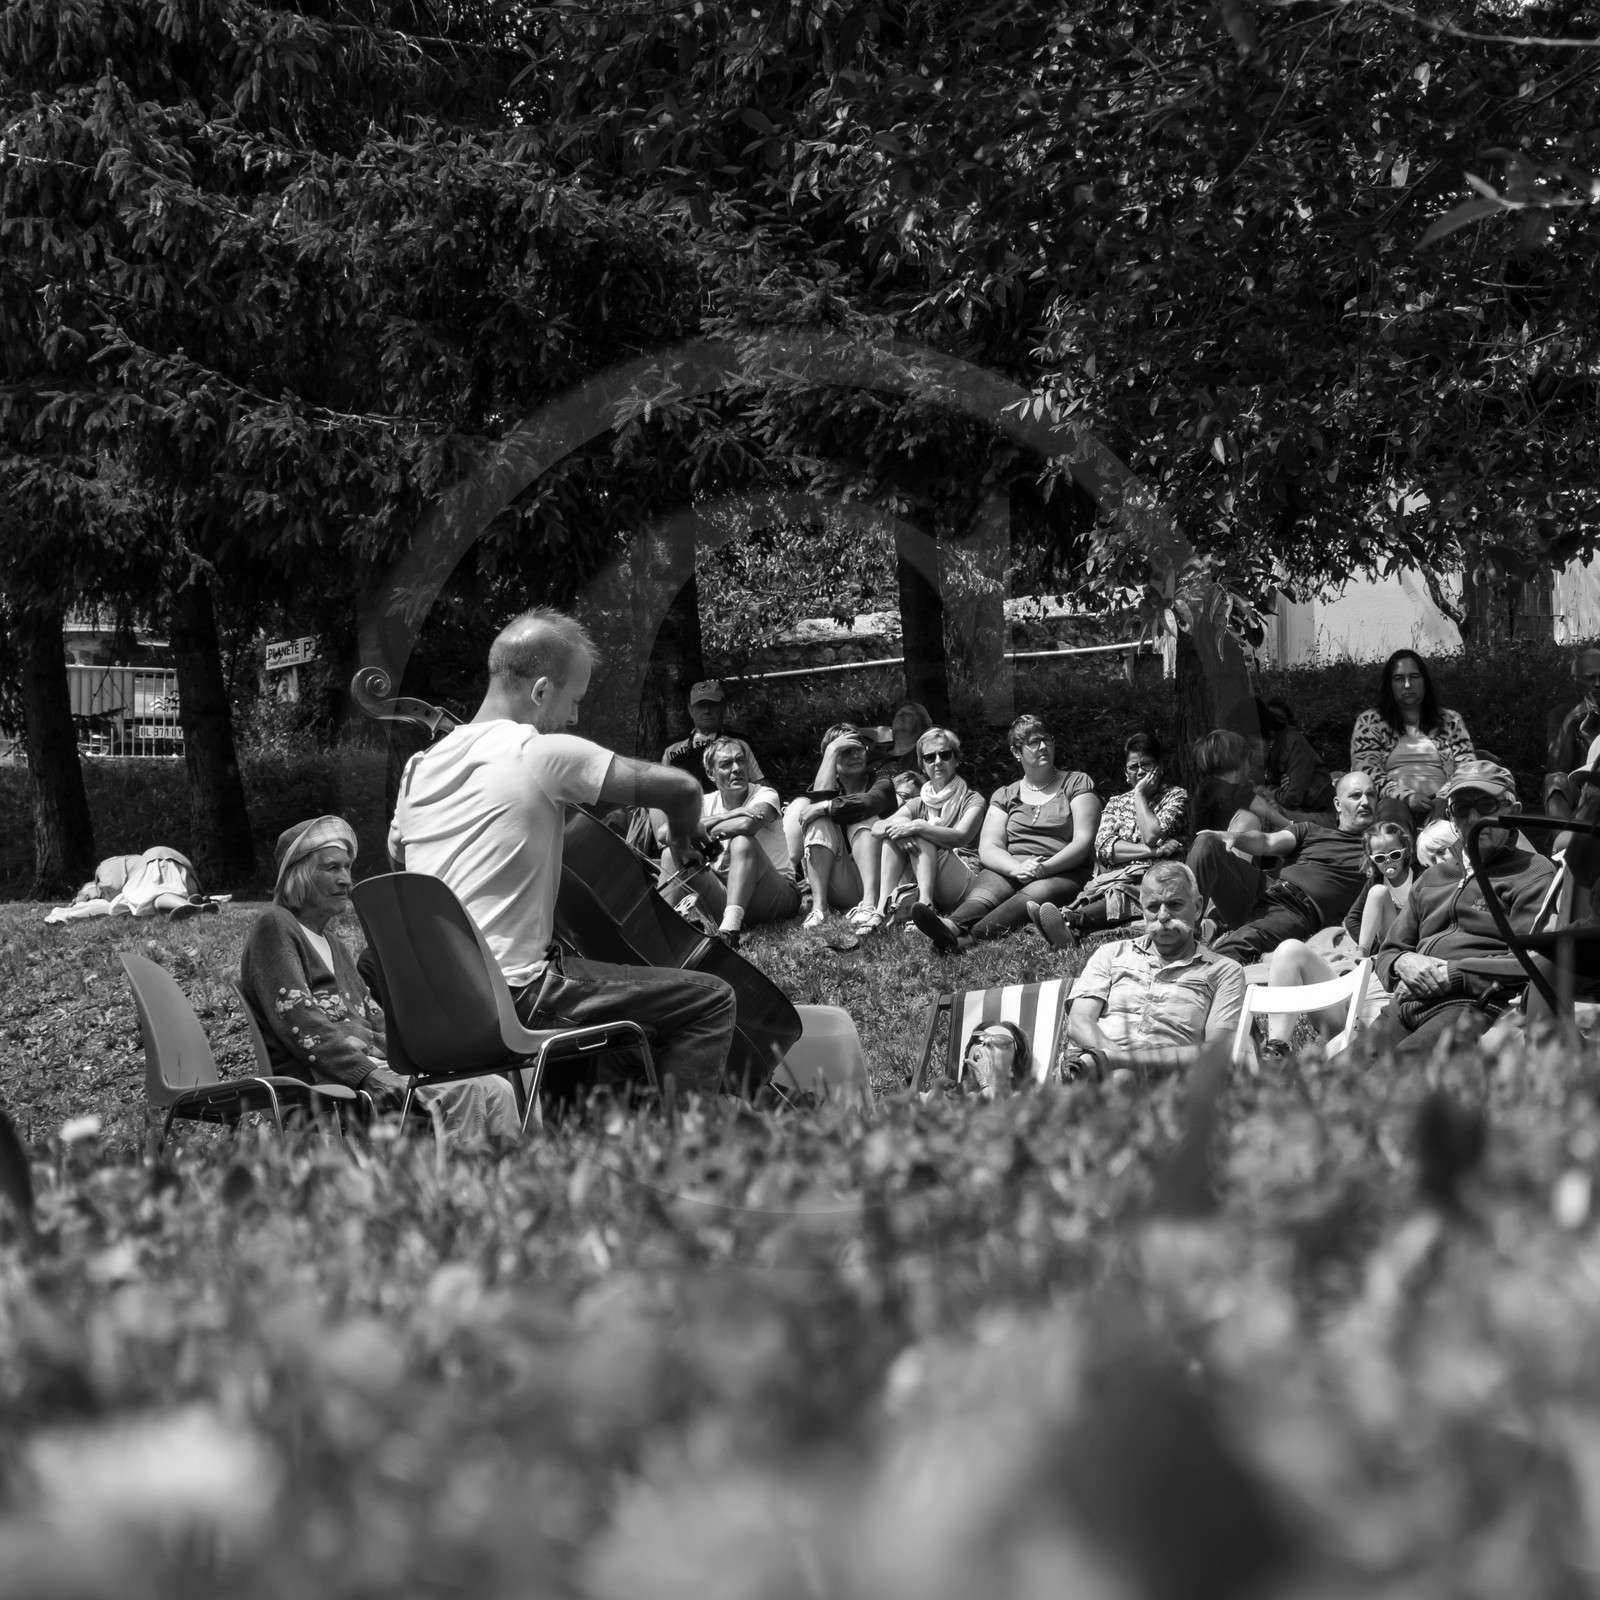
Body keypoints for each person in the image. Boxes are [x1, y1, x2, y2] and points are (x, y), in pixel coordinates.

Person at [388, 608, 738, 1095]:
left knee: (597, 999)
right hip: (517, 996)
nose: (573, 717)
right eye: (573, 700)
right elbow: (680, 790)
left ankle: (584, 1142)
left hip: (429, 1012)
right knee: (709, 999)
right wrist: (680, 839)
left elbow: (400, 866)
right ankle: (682, 1155)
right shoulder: (537, 752)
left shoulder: (417, 769)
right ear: (541, 691)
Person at [239, 817, 523, 1146]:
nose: (346, 880)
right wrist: (368, 1074)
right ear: (299, 875)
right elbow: (300, 1021)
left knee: (497, 1087)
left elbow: (374, 1017)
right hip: (321, 1081)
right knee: (465, 1092)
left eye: (347, 867)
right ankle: (456, 1192)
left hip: (364, 1067)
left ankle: (508, 1188)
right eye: (332, 868)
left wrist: (427, 1061)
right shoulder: (275, 926)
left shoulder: (334, 944)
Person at [1371, 761, 1556, 1055]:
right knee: (1332, 1080)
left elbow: (1532, 962)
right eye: (1461, 807)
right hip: (1405, 1005)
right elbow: (1390, 950)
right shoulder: (1432, 877)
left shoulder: (1533, 873)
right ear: (1450, 816)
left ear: (1514, 812)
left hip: (1474, 1004)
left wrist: (1453, 974)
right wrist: (1402, 963)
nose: (1472, 817)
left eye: (1486, 805)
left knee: (1392, 1079)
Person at [910, 714, 1100, 951]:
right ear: (1016, 752)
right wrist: (1015, 868)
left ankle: (967, 940)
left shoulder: (1077, 783)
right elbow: (989, 846)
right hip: (1012, 865)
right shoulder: (1005, 794)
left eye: (1047, 740)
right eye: (1033, 742)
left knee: (1035, 892)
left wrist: (1045, 868)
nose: (1042, 747)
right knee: (987, 890)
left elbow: (1083, 842)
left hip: (1064, 870)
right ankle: (950, 925)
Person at [1062, 861, 1246, 1083]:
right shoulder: (1111, 953)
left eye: (1174, 904)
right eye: (1152, 907)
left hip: (1166, 1083)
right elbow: (1079, 1021)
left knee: (1122, 1080)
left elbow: (1215, 1053)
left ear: (1197, 907)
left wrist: (1120, 1062)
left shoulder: (1224, 971)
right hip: (1090, 1070)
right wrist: (1110, 1059)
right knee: (1119, 1079)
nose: (1162, 916)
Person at [1249, 821, 1415, 1063]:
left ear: (1407, 851)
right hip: (1355, 986)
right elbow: (1353, 919)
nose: (1388, 862)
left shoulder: (1421, 884)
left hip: (1382, 1006)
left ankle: (1300, 1077)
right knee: (1289, 950)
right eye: (1380, 858)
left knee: (1327, 1067)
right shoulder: (1376, 885)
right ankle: (1277, 1049)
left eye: (1395, 854)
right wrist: (1367, 950)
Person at [1187, 771, 1378, 962]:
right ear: (1337, 804)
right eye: (1356, 795)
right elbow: (1268, 842)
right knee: (1207, 842)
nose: (1365, 802)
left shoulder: (1379, 853)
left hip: (1297, 910)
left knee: (1241, 943)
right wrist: (1235, 837)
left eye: (1371, 795)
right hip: (1262, 885)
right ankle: (1181, 934)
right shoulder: (1311, 830)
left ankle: (1196, 976)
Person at [1031, 730, 1188, 950]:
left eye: (1147, 765)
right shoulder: (1116, 803)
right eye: (1134, 767)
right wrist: (1152, 852)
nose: (1140, 772)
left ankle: (1067, 922)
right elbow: (1105, 848)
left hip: (1159, 876)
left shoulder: (1176, 796)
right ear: (1126, 773)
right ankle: (1062, 922)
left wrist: (1140, 796)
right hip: (1117, 875)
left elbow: (1152, 834)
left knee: (1126, 892)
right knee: (1106, 889)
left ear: (1160, 767)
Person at [655, 736, 800, 949]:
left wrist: (695, 829)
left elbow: (745, 825)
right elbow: (663, 833)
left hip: (776, 895)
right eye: (726, 764)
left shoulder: (765, 794)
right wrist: (722, 817)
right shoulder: (705, 802)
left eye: (740, 761)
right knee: (671, 853)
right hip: (727, 893)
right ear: (710, 774)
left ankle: (729, 931)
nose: (736, 768)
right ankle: (658, 929)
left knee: (742, 842)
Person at [782, 723, 899, 932]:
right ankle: (819, 908)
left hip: (883, 881)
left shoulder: (882, 782)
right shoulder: (830, 786)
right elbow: (819, 799)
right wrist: (831, 750)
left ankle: (869, 903)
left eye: (858, 749)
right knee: (817, 818)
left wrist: (826, 807)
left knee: (859, 817)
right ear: (831, 759)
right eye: (845, 751)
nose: (855, 755)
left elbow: (867, 803)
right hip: (842, 881)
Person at [870, 726, 985, 926]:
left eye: (945, 755)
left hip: (964, 881)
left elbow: (960, 837)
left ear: (956, 760)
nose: (938, 761)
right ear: (923, 766)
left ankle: (925, 907)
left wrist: (918, 827)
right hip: (927, 876)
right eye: (930, 757)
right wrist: (901, 831)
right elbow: (877, 828)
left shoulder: (973, 800)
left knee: (917, 829)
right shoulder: (918, 802)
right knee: (895, 830)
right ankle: (882, 909)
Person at [1350, 649, 1475, 832]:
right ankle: (1394, 858)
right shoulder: (1370, 721)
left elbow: (1468, 766)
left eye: (1414, 676)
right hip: (1393, 804)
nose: (1407, 685)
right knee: (1392, 811)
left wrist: (1445, 797)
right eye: (1399, 678)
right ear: (1389, 685)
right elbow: (1366, 771)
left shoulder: (1450, 721)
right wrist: (1405, 796)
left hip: (1444, 803)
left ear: (1424, 682)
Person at [661, 679, 764, 793]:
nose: (707, 710)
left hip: (731, 808)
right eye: (701, 705)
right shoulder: (671, 749)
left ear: (723, 708)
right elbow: (660, 790)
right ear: (691, 710)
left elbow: (762, 786)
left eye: (712, 705)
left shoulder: (741, 743)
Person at [1255, 697, 1337, 826]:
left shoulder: (1292, 743)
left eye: (1253, 746)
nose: (1250, 754)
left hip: (1326, 816)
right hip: (1302, 812)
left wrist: (1268, 791)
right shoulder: (1267, 756)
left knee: (1272, 812)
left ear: (1269, 738)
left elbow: (1291, 799)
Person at [1188, 729, 1286, 835]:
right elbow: (1250, 800)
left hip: (1228, 847)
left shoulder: (1240, 790)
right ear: (1240, 761)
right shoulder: (1209, 788)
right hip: (1211, 849)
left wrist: (1273, 812)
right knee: (1249, 816)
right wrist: (1290, 826)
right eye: (1248, 759)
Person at [1544, 647, 1600, 820]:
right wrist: (1569, 723)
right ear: (1575, 682)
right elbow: (1557, 769)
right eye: (1590, 678)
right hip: (1579, 788)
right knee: (1554, 781)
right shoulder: (1562, 714)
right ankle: (1563, 845)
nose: (1598, 684)